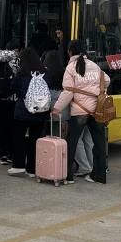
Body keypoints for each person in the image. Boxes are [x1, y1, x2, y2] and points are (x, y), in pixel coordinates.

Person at [51, 40, 110, 184]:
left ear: (70, 51)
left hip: (80, 111)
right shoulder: (94, 65)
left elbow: (68, 92)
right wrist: (95, 89)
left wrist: (57, 108)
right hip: (97, 110)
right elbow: (107, 80)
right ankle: (100, 176)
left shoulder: (70, 68)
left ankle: (68, 176)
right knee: (99, 143)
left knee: (72, 142)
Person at [7, 48, 48, 178]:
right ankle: (32, 168)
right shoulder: (45, 72)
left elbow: (13, 88)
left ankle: (18, 165)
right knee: (35, 139)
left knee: (19, 138)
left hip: (23, 111)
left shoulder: (22, 73)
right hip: (41, 111)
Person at [0, 45, 19, 165]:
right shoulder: (17, 64)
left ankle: (2, 154)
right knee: (12, 129)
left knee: (1, 129)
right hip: (13, 102)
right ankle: (11, 154)